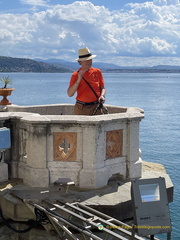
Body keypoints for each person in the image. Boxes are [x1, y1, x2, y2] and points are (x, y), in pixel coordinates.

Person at [67, 47, 106, 115]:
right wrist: (78, 79)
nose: (89, 61)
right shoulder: (75, 75)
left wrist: (102, 95)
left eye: (90, 59)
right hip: (81, 108)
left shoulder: (97, 72)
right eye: (86, 60)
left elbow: (102, 88)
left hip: (96, 107)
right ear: (80, 62)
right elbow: (70, 94)